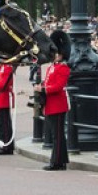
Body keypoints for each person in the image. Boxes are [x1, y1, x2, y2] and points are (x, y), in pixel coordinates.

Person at [34, 30, 71, 170]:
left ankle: (57, 162)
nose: (54, 56)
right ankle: (60, 161)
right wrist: (41, 86)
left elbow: (58, 87)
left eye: (56, 53)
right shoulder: (51, 67)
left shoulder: (64, 68)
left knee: (58, 136)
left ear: (61, 54)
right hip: (50, 105)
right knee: (56, 135)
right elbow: (48, 82)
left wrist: (43, 89)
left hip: (58, 105)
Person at [0, 63, 15, 155]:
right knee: (3, 123)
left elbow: (2, 84)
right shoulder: (3, 66)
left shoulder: (8, 67)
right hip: (0, 98)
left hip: (3, 98)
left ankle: (6, 147)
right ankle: (2, 142)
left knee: (5, 124)